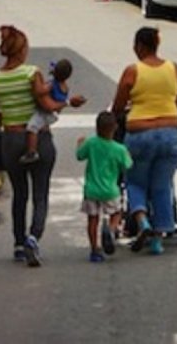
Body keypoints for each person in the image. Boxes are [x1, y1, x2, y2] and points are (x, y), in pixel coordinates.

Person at [0, 25, 85, 267]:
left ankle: (18, 245)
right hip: (39, 138)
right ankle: (33, 238)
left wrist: (11, 114)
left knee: (19, 193)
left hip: (10, 139)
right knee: (40, 194)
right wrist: (69, 103)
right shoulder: (32, 73)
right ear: (22, 50)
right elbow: (48, 104)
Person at [111, 27, 177, 256]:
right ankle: (158, 239)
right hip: (171, 135)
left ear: (139, 46)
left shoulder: (132, 71)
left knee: (135, 181)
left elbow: (117, 107)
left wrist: (133, 108)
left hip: (139, 135)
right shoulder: (174, 69)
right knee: (162, 185)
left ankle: (142, 222)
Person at [75, 111, 133, 263]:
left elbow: (80, 156)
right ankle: (112, 230)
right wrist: (127, 154)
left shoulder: (91, 143)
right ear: (115, 128)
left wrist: (80, 144)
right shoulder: (119, 149)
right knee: (117, 212)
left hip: (91, 190)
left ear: (96, 128)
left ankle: (95, 250)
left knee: (92, 220)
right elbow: (128, 165)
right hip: (110, 190)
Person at [22, 59, 75, 164]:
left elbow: (41, 91)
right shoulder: (65, 87)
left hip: (46, 112)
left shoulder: (52, 85)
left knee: (32, 127)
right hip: (54, 114)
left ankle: (32, 151)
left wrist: (37, 86)